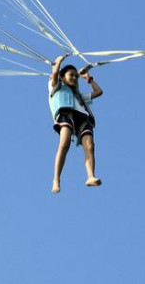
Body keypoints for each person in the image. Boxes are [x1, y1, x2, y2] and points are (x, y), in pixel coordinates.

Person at [49, 54, 103, 193]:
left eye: (75, 76)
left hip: (83, 120)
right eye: (71, 75)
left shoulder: (79, 95)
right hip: (66, 115)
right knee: (65, 143)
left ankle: (90, 177)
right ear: (62, 77)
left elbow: (98, 92)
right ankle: (56, 180)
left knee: (90, 146)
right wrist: (59, 62)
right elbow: (54, 75)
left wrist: (88, 78)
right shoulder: (57, 87)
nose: (74, 77)